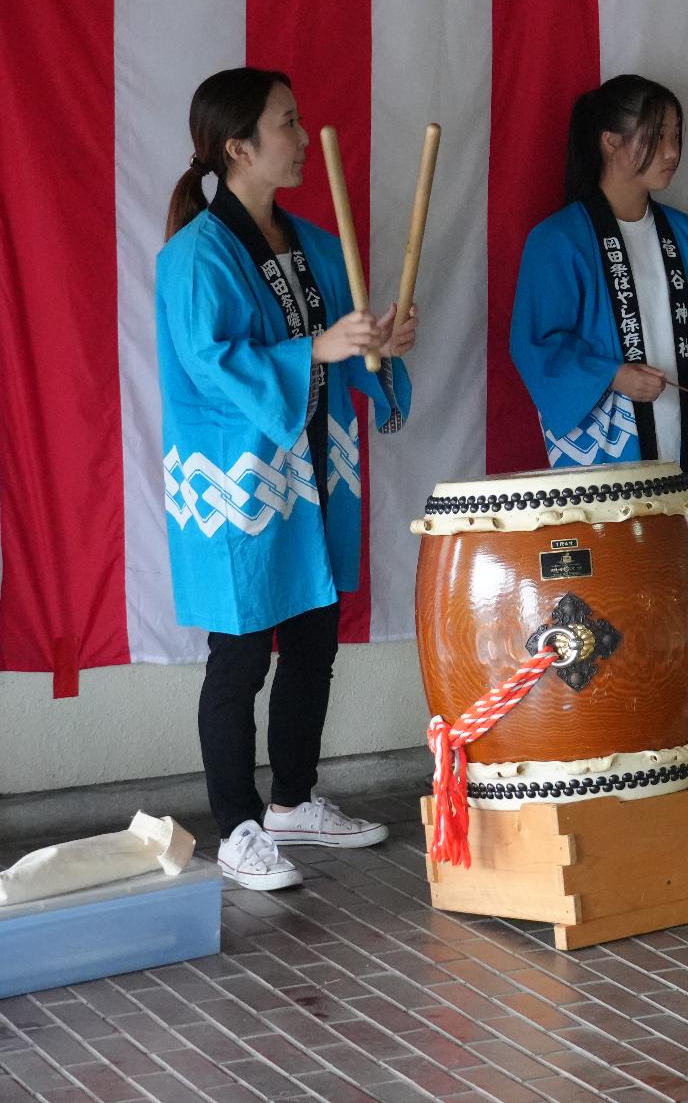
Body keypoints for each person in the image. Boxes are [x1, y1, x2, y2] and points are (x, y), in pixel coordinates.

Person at [157, 67, 417, 890]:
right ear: (239, 147)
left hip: (313, 471)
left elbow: (348, 346)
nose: (304, 138)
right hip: (237, 478)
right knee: (239, 654)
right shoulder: (194, 256)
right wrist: (318, 349)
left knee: (313, 640)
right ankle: (236, 825)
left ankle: (293, 799)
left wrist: (378, 345)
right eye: (288, 124)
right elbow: (213, 363)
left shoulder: (315, 246)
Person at [510, 74, 688, 586]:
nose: (672, 151)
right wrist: (612, 375)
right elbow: (537, 345)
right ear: (610, 141)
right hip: (610, 457)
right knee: (615, 613)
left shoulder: (687, 236)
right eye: (656, 136)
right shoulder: (558, 240)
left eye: (676, 136)